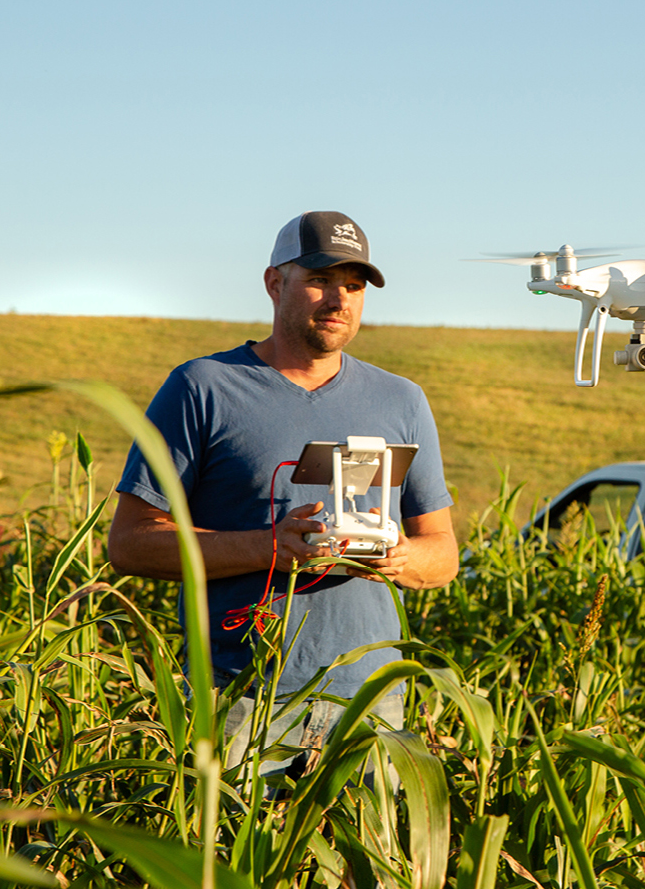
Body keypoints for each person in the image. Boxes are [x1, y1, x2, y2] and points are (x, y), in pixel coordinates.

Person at [108, 210, 458, 770]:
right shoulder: (202, 388)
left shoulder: (402, 401)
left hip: (372, 704)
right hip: (239, 698)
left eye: (353, 285)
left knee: (363, 862)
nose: (339, 301)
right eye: (320, 280)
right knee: (223, 858)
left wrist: (397, 556)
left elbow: (441, 554)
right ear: (275, 283)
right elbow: (129, 544)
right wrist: (270, 547)